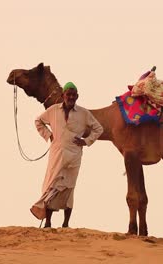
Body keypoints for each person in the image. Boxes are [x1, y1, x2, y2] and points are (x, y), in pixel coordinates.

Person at [30, 81, 103, 228]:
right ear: (63, 95)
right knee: (52, 185)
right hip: (57, 153)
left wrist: (86, 141)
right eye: (68, 94)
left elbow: (98, 129)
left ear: (77, 96)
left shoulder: (84, 113)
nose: (70, 97)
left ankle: (66, 223)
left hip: (74, 155)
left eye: (73, 95)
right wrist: (48, 135)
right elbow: (38, 121)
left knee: (69, 188)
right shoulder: (53, 110)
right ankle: (48, 222)